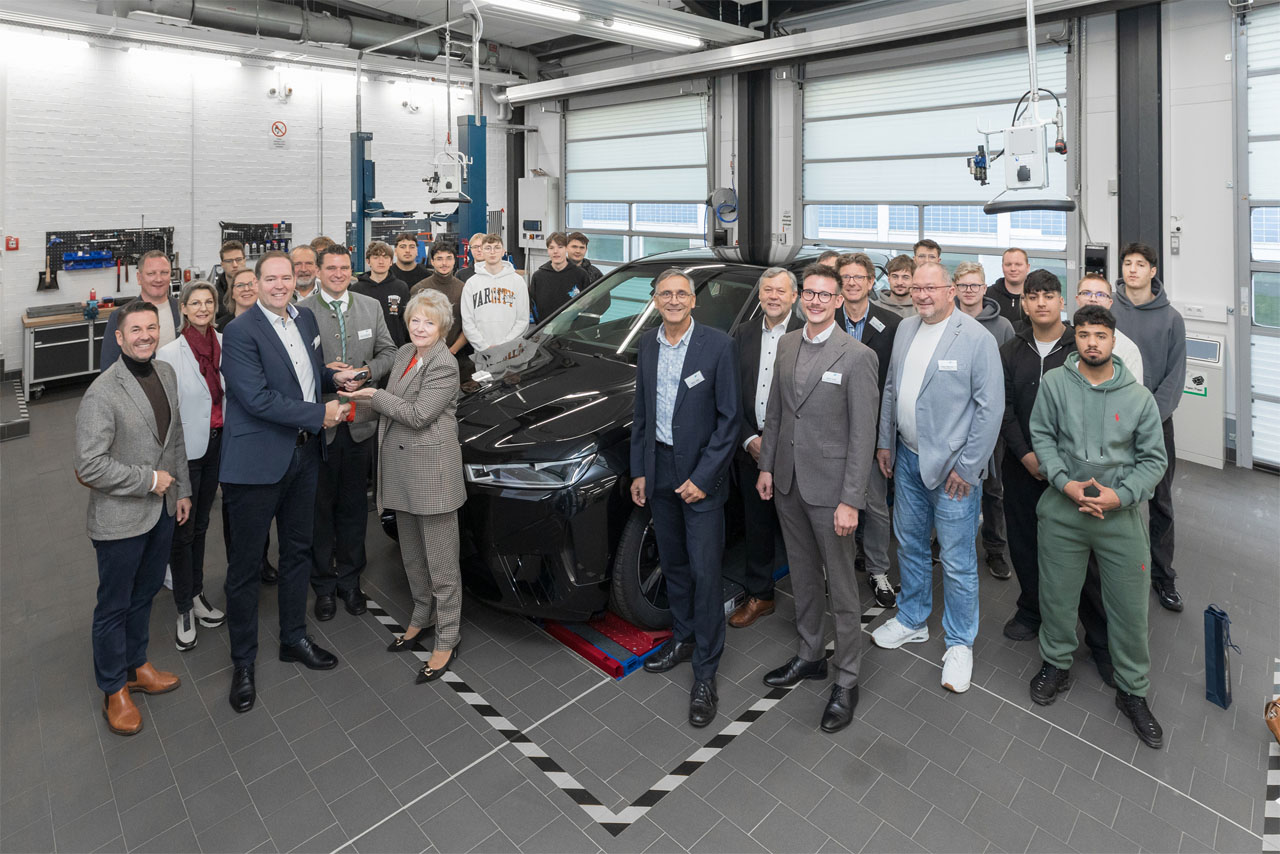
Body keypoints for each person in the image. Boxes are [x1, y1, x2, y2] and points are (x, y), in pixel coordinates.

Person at [219, 251, 359, 714]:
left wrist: (332, 376)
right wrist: (321, 414)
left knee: (298, 551)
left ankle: (293, 638)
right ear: (255, 283)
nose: (280, 284)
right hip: (257, 463)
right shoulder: (240, 332)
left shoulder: (304, 320)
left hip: (304, 456)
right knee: (244, 569)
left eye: (286, 277)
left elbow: (304, 375)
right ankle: (243, 662)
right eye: (271, 278)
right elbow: (256, 398)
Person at [1028, 305, 1167, 749]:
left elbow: (1154, 461)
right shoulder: (1055, 383)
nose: (1092, 343)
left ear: (1112, 341)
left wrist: (1120, 496)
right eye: (1085, 334)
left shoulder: (1138, 398)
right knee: (1057, 596)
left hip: (1119, 517)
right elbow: (1041, 436)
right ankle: (1056, 664)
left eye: (1100, 336)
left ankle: (1132, 690)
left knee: (1129, 606)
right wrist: (1064, 483)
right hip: (1063, 510)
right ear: (1076, 338)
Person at [870, 261, 1003, 695]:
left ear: (951, 291)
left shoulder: (977, 339)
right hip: (907, 459)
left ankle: (960, 643)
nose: (922, 295)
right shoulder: (906, 329)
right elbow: (892, 388)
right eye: (917, 288)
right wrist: (885, 442)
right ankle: (912, 619)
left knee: (958, 560)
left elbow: (990, 409)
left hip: (953, 472)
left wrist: (969, 466)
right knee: (909, 545)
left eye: (931, 288)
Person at [757, 264, 879, 733]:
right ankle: (810, 655)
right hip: (788, 482)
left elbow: (863, 435)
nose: (815, 301)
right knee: (803, 577)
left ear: (839, 300)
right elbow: (776, 413)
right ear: (800, 297)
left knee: (842, 590)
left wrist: (852, 500)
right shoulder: (788, 343)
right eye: (809, 293)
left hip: (832, 491)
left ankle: (846, 679)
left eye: (825, 295)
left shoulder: (858, 356)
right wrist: (767, 467)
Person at [75, 299, 190, 735]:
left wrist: (181, 489)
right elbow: (89, 466)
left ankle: (137, 665)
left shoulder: (166, 373)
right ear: (119, 338)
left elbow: (174, 438)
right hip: (120, 520)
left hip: (162, 511)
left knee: (144, 597)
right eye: (135, 330)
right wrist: (149, 480)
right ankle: (114, 688)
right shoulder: (102, 392)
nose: (145, 336)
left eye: (151, 328)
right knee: (114, 606)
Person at [631, 269, 740, 728]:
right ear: (655, 301)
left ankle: (706, 672)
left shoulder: (718, 346)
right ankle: (683, 637)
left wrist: (703, 477)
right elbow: (641, 413)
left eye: (681, 294)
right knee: (674, 564)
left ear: (694, 301)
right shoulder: (648, 344)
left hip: (700, 477)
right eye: (665, 294)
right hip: (658, 470)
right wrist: (639, 470)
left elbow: (730, 421)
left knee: (705, 571)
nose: (673, 300)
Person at [997, 272, 1114, 684]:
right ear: (1025, 304)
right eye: (1033, 296)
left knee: (1083, 556)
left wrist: (1060, 464)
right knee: (1024, 543)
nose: (1041, 302)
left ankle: (1100, 638)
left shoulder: (1078, 346)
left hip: (1073, 472)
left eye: (1049, 295)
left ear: (1062, 301)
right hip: (1022, 466)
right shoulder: (1011, 349)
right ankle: (1032, 610)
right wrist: (1026, 455)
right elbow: (1005, 408)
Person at [346, 290, 466, 684]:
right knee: (412, 557)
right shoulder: (403, 354)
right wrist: (346, 408)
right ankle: (421, 616)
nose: (420, 327)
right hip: (401, 471)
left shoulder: (445, 364)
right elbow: (388, 407)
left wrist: (373, 395)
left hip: (433, 476)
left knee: (442, 566)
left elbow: (417, 414)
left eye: (429, 322)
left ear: (443, 327)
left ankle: (448, 636)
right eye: (415, 319)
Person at [299, 245, 396, 621]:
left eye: (343, 268)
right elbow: (295, 364)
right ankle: (323, 585)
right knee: (319, 510)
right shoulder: (302, 312)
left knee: (355, 509)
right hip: (319, 426)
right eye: (331, 268)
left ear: (351, 271)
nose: (338, 274)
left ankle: (350, 582)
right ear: (318, 272)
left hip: (360, 425)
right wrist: (327, 372)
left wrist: (366, 373)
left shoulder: (370, 307)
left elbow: (389, 352)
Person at [1110, 242, 1186, 613]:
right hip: (1111, 421)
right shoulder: (1109, 311)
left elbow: (1175, 376)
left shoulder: (1171, 319)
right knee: (1113, 495)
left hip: (1156, 424)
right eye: (1127, 263)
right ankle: (1114, 568)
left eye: (1140, 264)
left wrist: (1147, 417)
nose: (1133, 269)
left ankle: (1163, 575)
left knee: (1161, 502)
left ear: (1153, 271)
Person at [728, 267, 802, 629]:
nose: (773, 296)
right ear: (760, 295)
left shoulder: (807, 333)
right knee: (756, 527)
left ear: (794, 296)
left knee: (800, 528)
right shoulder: (742, 335)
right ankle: (761, 595)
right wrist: (747, 439)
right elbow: (729, 395)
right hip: (752, 447)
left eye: (780, 291)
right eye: (767, 290)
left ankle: (810, 599)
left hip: (796, 449)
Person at [156, 282, 228, 652]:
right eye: (195, 303)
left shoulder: (225, 342)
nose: (202, 308)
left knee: (201, 526)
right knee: (182, 532)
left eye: (208, 301)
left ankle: (197, 594)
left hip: (217, 445)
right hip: (187, 453)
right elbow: (167, 418)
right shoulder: (169, 354)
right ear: (183, 308)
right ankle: (184, 607)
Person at [833, 253, 901, 608]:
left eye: (859, 277)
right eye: (846, 277)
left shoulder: (892, 324)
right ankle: (838, 569)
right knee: (834, 502)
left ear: (871, 282)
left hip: (873, 432)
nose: (852, 283)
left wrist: (884, 439)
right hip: (832, 431)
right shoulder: (826, 318)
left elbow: (893, 386)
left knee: (875, 506)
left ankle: (877, 569)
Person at [217, 268, 278, 583]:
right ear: (231, 292)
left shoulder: (273, 323)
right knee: (238, 504)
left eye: (252, 283)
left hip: (268, 424)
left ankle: (262, 559)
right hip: (235, 424)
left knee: (263, 500)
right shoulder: (223, 328)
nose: (247, 289)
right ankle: (241, 565)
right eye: (239, 285)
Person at [954, 261, 1014, 580]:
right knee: (949, 484)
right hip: (952, 421)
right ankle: (946, 540)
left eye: (975, 285)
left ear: (984, 287)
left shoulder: (1002, 326)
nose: (969, 291)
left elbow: (1008, 375)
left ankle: (994, 548)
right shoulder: (945, 320)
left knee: (993, 489)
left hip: (990, 422)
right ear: (955, 288)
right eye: (963, 285)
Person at [100, 251, 182, 369]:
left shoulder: (183, 310)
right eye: (151, 273)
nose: (158, 279)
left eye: (164, 273)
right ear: (139, 278)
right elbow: (108, 365)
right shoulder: (120, 315)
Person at [460, 234, 529, 353]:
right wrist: (483, 347)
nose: (492, 252)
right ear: (482, 251)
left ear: (503, 252)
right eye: (488, 248)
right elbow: (467, 321)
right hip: (482, 352)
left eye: (497, 248)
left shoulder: (517, 281)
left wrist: (505, 346)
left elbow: (523, 320)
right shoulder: (471, 283)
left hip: (511, 351)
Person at [1074, 274, 1144, 385]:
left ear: (1110, 303)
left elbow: (1134, 393)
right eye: (1086, 293)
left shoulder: (1128, 349)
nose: (1093, 299)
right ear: (1077, 299)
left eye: (1101, 295)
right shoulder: (1065, 342)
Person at [410, 241, 470, 367]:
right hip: (425, 356)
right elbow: (413, 326)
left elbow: (469, 326)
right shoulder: (419, 289)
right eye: (439, 259)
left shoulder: (464, 289)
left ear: (454, 261)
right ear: (432, 262)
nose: (444, 263)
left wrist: (452, 351)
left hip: (457, 355)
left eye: (449, 258)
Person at [353, 241, 411, 348]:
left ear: (391, 262)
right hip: (365, 347)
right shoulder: (356, 289)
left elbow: (406, 320)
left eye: (385, 257)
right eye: (376, 257)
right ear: (368, 261)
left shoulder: (401, 287)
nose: (381, 261)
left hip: (395, 346)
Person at [531, 232, 591, 322]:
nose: (555, 251)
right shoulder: (538, 277)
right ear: (547, 250)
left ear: (566, 249)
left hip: (573, 328)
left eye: (560, 247)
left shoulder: (581, 275)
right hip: (545, 328)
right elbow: (534, 306)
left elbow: (587, 305)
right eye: (551, 248)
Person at [987, 248, 1031, 328]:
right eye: (1008, 264)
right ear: (1002, 267)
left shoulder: (1035, 297)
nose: (1013, 269)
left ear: (1028, 267)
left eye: (1018, 264)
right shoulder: (987, 295)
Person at [213, 240, 247, 326]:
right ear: (222, 264)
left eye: (238, 260)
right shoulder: (214, 294)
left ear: (244, 261)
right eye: (229, 261)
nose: (235, 265)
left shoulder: (257, 289)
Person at [874, 254, 917, 319]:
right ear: (889, 278)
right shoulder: (873, 308)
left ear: (913, 280)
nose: (899, 282)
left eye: (905, 277)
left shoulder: (921, 310)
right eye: (895, 276)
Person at [218, 268, 258, 333]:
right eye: (240, 285)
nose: (246, 289)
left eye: (251, 284)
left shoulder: (271, 321)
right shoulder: (219, 327)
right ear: (232, 293)